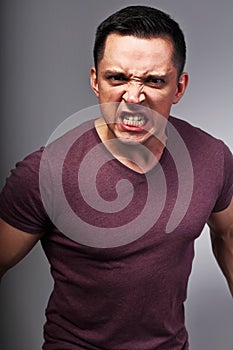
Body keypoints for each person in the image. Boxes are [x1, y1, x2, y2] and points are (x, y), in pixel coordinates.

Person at [0, 5, 232, 350]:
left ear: (179, 87)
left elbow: (228, 235)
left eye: (154, 81)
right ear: (95, 80)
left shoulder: (213, 157)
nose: (134, 98)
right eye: (117, 78)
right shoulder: (45, 173)